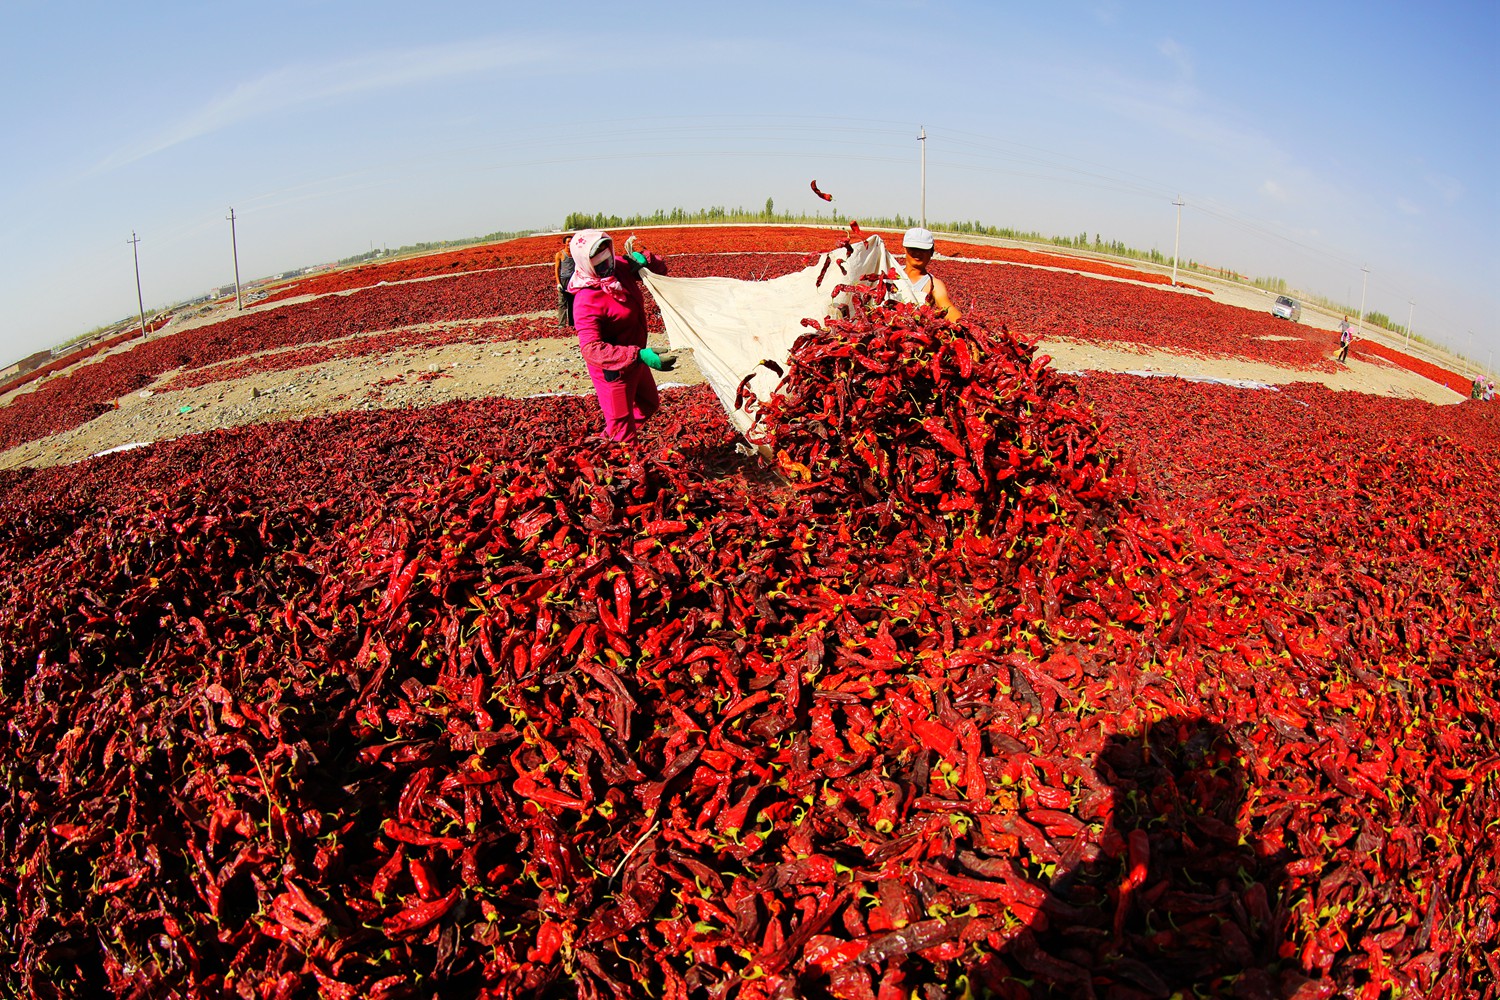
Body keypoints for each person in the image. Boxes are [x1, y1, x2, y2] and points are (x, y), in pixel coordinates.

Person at [568, 229, 674, 444]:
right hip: (613, 370)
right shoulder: (585, 301)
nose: (607, 270)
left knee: (648, 404)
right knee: (623, 432)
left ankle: (609, 438)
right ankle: (620, 449)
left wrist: (646, 261)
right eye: (599, 267)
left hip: (636, 358)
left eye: (609, 262)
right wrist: (639, 355)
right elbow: (591, 349)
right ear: (586, 264)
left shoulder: (619, 269)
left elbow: (660, 270)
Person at [900, 227, 961, 322]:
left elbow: (949, 310)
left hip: (914, 334)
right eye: (913, 248)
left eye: (923, 250)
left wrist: (963, 325)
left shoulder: (934, 285)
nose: (917, 253)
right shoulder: (892, 273)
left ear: (931, 252)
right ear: (905, 249)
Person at [553, 233, 576, 328]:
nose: (570, 243)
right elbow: (556, 270)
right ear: (564, 244)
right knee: (562, 303)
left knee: (572, 303)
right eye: (568, 242)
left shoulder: (575, 254)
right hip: (563, 280)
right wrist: (558, 283)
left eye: (571, 241)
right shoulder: (560, 254)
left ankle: (572, 323)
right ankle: (561, 324)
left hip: (573, 280)